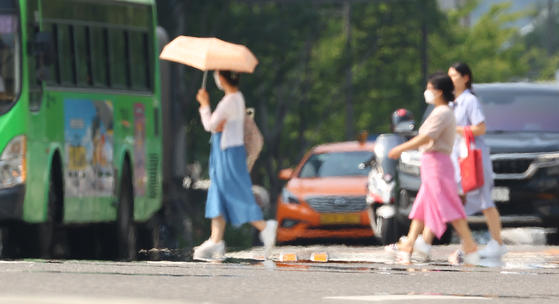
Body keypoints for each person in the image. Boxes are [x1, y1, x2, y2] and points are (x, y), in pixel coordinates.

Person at [413, 63, 507, 262]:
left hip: (472, 157)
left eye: (454, 75)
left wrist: (452, 129)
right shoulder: (451, 103)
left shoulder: (469, 101)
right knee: (446, 198)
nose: (451, 79)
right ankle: (427, 241)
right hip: (455, 158)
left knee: (483, 200)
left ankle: (496, 242)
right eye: (449, 75)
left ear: (465, 78)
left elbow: (480, 128)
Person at [386, 72, 479, 265]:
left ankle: (469, 243)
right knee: (422, 204)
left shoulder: (443, 112)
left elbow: (427, 137)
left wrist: (401, 148)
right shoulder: (440, 111)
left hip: (437, 164)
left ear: (438, 92)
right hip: (431, 163)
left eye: (429, 88)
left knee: (447, 204)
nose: (427, 92)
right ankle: (410, 242)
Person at [194, 70, 277, 261]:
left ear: (222, 78)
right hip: (226, 151)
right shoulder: (237, 98)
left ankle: (265, 227)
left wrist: (204, 104)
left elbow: (210, 125)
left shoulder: (230, 101)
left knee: (233, 193)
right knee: (218, 192)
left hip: (228, 153)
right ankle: (216, 240)